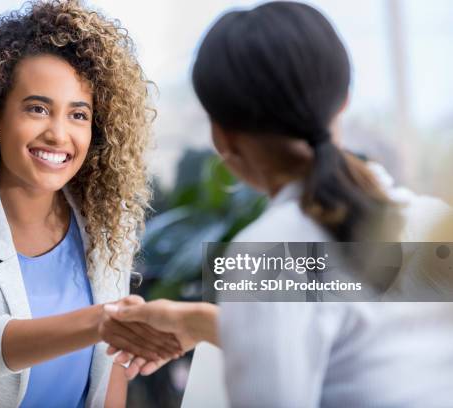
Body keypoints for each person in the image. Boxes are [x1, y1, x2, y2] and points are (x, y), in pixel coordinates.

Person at [105, 2, 453, 406]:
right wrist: (199, 322)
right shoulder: (432, 221)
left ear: (222, 138)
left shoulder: (268, 253)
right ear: (344, 101)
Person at [0, 1, 181, 407]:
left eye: (78, 115)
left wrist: (114, 330)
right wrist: (105, 321)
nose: (58, 134)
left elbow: (108, 375)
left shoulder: (104, 222)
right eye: (38, 108)